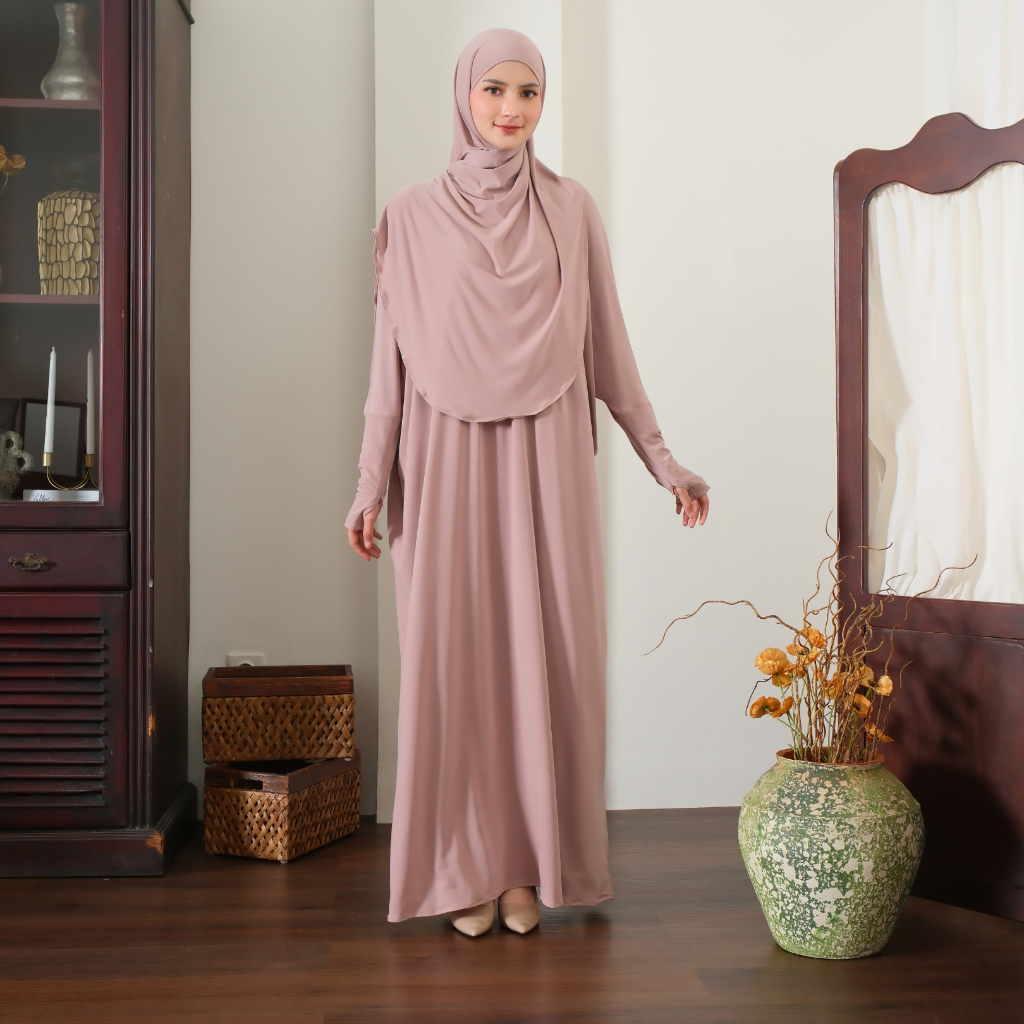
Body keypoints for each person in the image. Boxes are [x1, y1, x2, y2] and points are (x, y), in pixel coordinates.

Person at [347, 28, 709, 937]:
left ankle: (527, 868)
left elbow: (609, 348)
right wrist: (367, 484)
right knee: (456, 666)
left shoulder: (571, 210)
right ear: (464, 94)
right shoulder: (409, 215)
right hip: (441, 461)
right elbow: (387, 369)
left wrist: (662, 459)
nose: (510, 109)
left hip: (547, 460)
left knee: (547, 661)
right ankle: (463, 869)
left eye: (529, 93)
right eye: (494, 90)